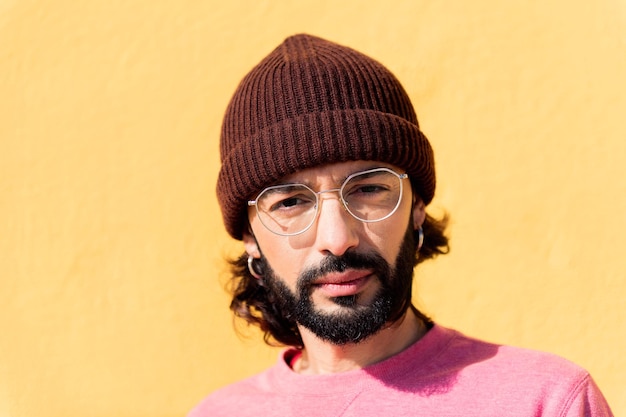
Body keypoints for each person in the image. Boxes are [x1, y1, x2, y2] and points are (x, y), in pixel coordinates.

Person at [189, 34, 613, 416]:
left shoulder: (546, 401)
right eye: (291, 201)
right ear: (249, 236)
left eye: (369, 190)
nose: (337, 239)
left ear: (417, 207)